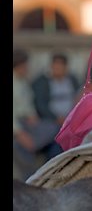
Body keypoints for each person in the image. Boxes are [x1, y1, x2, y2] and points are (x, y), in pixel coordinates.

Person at [13, 49, 60, 181]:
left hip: (27, 123)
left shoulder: (22, 81)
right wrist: (19, 133)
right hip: (17, 128)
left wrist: (31, 116)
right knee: (21, 146)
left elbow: (26, 105)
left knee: (54, 129)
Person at [32, 53, 80, 126]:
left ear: (66, 67)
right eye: (56, 67)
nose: (58, 69)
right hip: (50, 119)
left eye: (61, 67)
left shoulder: (72, 80)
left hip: (72, 117)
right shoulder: (42, 82)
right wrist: (56, 118)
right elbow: (40, 104)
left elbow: (79, 96)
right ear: (51, 66)